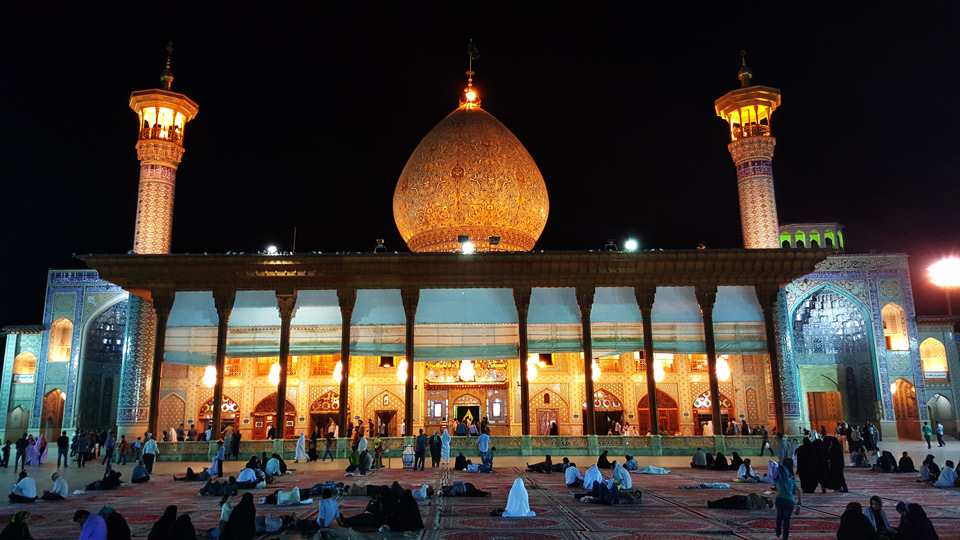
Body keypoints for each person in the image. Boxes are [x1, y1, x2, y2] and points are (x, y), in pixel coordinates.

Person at [772, 458, 801, 540]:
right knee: (786, 520)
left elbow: (779, 491)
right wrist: (799, 501)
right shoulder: (792, 481)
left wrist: (772, 498)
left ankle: (778, 531)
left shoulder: (778, 481)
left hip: (780, 501)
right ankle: (785, 536)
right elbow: (798, 491)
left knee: (779, 517)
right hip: (790, 502)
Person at [706, 493, 771, 509]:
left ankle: (712, 504)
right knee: (726, 503)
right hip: (743, 504)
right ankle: (712, 504)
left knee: (725, 501)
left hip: (742, 500)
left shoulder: (759, 500)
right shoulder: (761, 505)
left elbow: (752, 494)